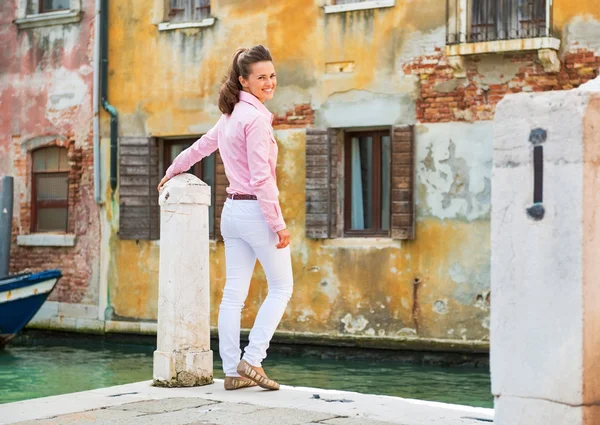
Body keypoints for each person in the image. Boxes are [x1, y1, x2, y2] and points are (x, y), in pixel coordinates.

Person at [157, 45, 293, 391]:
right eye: (261, 77)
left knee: (234, 293)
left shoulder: (231, 115)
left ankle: (233, 371)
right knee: (281, 287)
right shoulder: (257, 118)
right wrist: (277, 223)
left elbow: (201, 147)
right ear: (244, 81)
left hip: (231, 211)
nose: (269, 82)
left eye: (272, 75)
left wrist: (173, 170)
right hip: (255, 212)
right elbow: (262, 178)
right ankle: (253, 359)